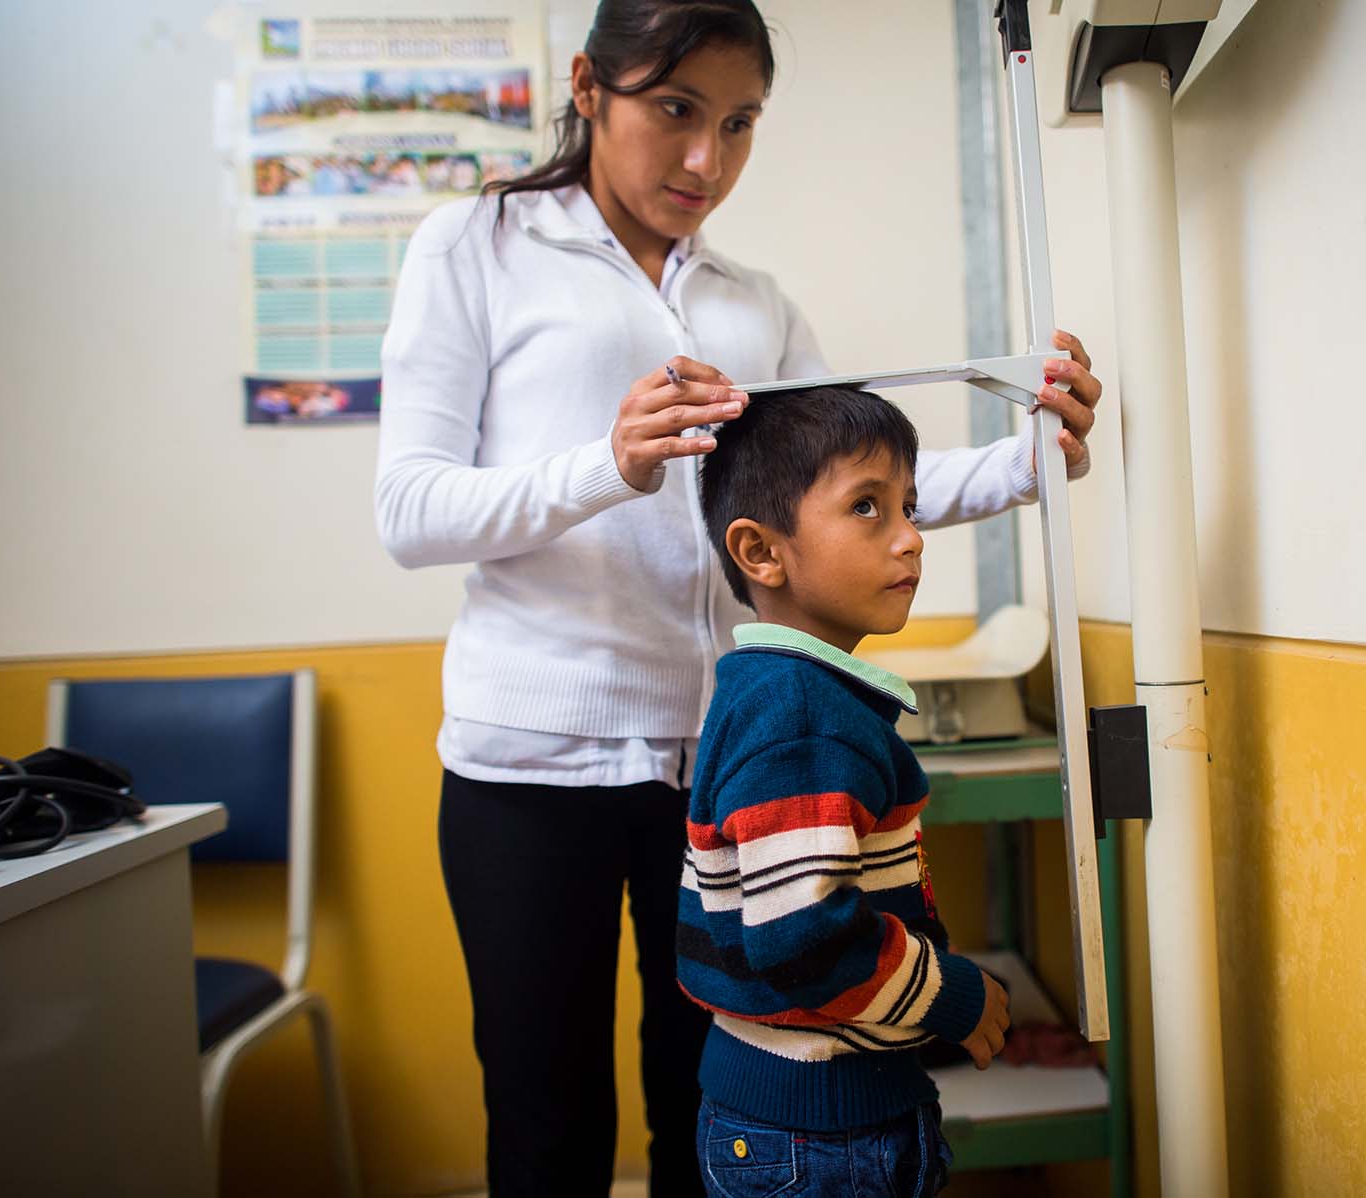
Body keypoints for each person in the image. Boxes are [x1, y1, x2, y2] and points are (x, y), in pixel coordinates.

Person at [373, 2, 1102, 1194]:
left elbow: (848, 494)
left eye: (740, 123)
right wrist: (610, 465)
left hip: (715, 769)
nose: (707, 160)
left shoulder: (752, 303)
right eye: (676, 111)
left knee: (707, 1118)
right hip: (525, 767)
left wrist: (1037, 459)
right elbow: (409, 511)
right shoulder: (477, 243)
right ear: (588, 87)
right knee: (546, 1124)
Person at [680, 386, 1006, 1197]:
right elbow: (805, 942)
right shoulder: (800, 715)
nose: (910, 540)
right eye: (868, 507)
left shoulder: (781, 689)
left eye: (910, 507)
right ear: (761, 553)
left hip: (805, 1110)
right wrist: (954, 996)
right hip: (819, 1133)